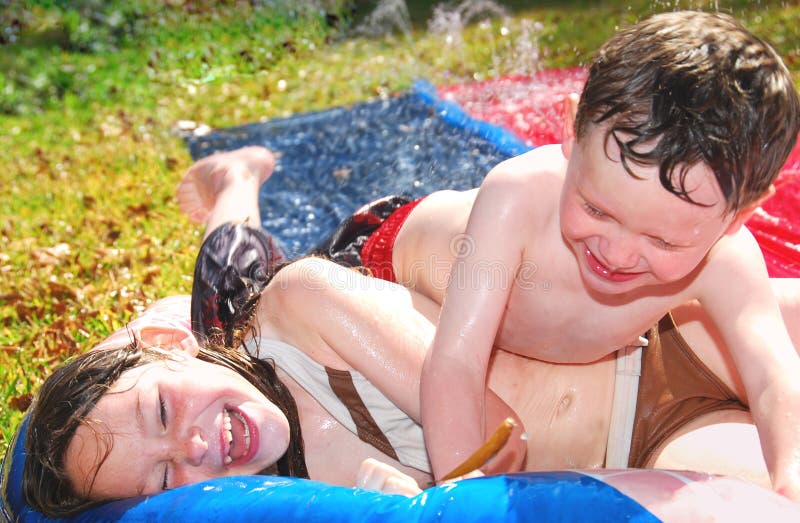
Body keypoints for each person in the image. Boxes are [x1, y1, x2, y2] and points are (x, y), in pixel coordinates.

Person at [246, 10, 800, 495]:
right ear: (568, 130)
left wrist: (790, 482)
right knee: (241, 292)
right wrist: (462, 489)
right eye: (598, 209)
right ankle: (238, 190)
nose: (619, 252)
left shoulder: (726, 257)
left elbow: (776, 378)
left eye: (663, 240)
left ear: (740, 216)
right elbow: (455, 363)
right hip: (384, 254)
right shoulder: (519, 199)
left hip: (609, 349)